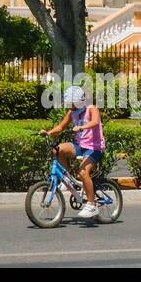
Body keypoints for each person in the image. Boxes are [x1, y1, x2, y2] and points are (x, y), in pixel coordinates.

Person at [39, 85, 106, 219]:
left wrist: (81, 127)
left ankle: (92, 205)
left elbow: (94, 122)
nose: (69, 106)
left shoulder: (92, 109)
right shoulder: (71, 112)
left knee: (83, 172)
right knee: (58, 150)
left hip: (94, 148)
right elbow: (61, 127)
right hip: (81, 146)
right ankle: (68, 180)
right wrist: (48, 132)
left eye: (71, 103)